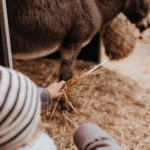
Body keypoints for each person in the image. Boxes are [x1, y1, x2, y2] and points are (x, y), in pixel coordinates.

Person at [0, 66, 121, 150]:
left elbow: (9, 101)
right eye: (34, 111)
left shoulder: (10, 137)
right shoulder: (41, 146)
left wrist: (46, 94)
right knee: (86, 130)